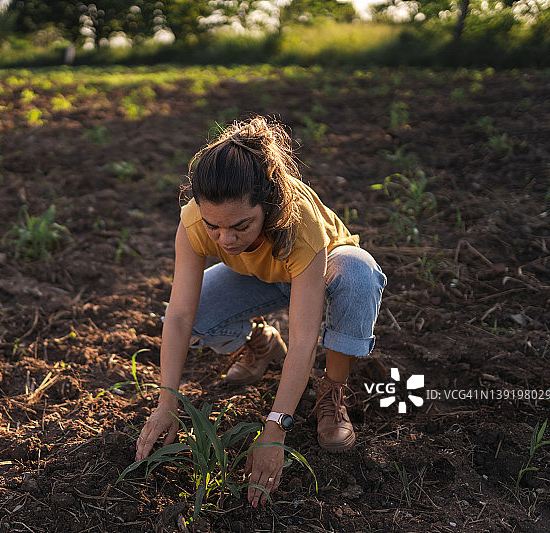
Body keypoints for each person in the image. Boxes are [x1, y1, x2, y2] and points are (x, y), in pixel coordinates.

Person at [134, 115, 386, 508]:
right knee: (188, 321)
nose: (225, 239)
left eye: (240, 225)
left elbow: (305, 336)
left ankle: (332, 392)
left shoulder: (298, 222)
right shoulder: (193, 223)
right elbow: (182, 315)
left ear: (266, 205)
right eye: (213, 227)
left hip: (324, 269)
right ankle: (261, 341)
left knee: (358, 273)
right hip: (259, 277)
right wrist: (167, 400)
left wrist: (275, 428)